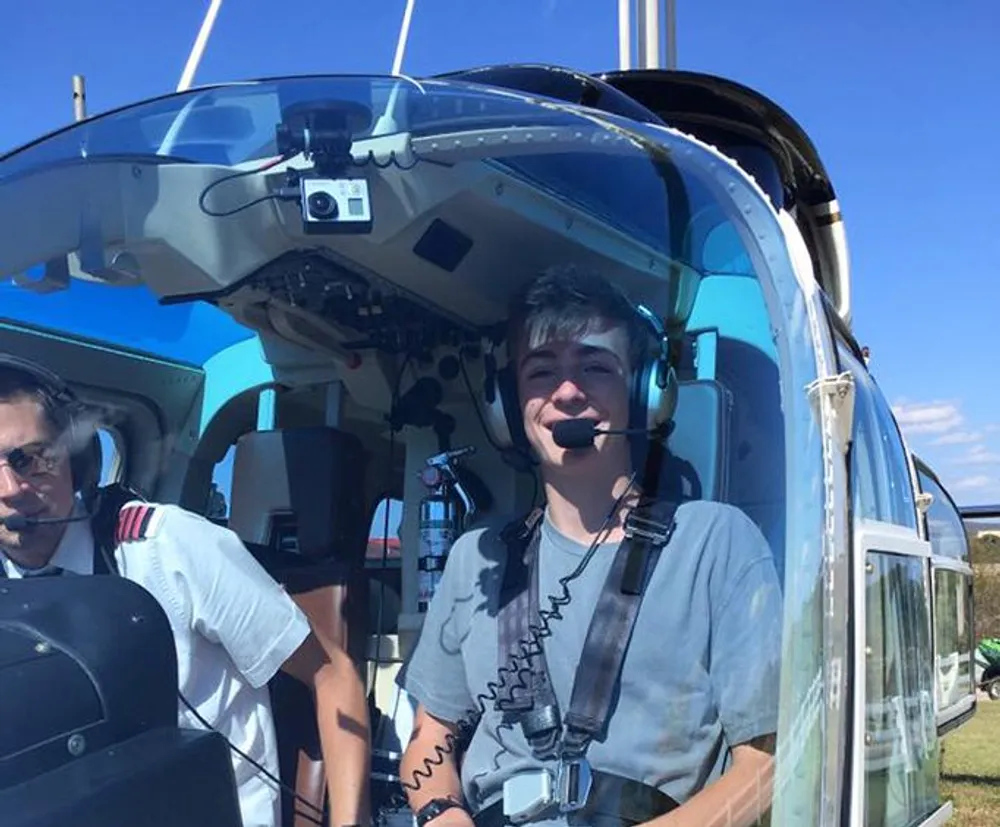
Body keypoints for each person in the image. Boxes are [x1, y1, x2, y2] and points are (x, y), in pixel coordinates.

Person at [398, 265, 783, 827]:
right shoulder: (475, 559)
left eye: (595, 367)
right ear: (510, 405)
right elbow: (428, 738)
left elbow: (765, 763)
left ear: (642, 391)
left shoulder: (715, 543)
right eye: (542, 371)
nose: (568, 392)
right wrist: (441, 813)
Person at [0, 354, 370, 827]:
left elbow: (331, 674)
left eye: (31, 459)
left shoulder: (169, 547)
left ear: (78, 460)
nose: (11, 488)